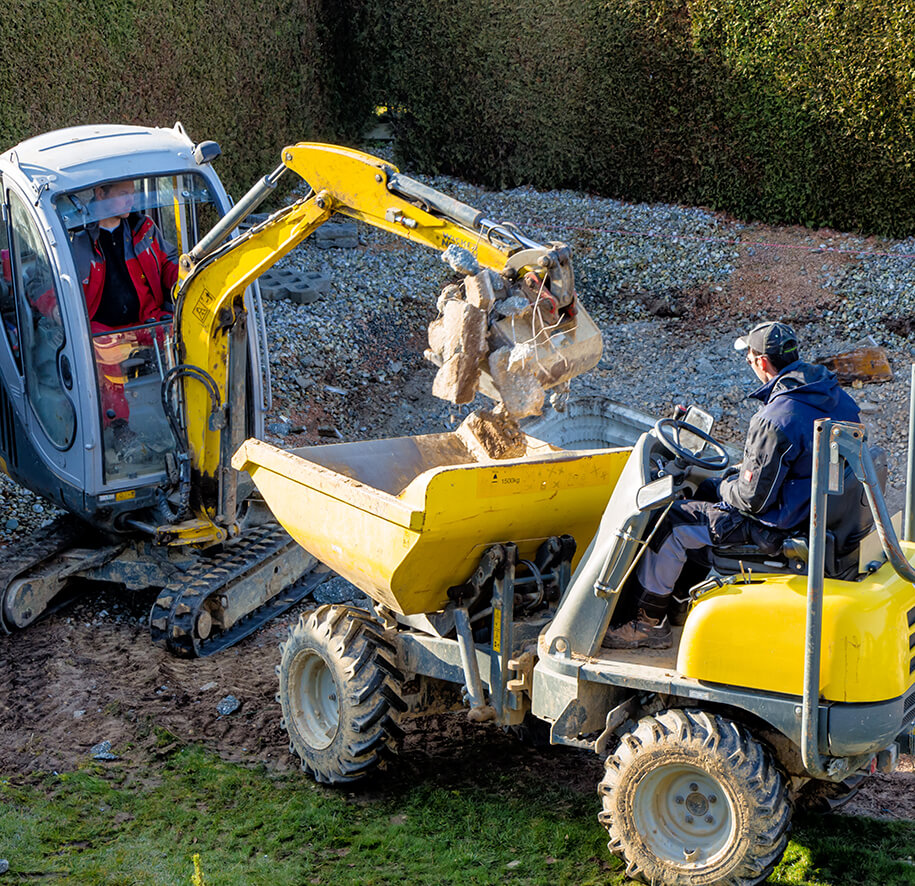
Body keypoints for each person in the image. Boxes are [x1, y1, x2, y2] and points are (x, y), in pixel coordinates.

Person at [603, 320, 861, 650]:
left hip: (779, 529)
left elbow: (752, 500)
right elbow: (795, 461)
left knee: (672, 522)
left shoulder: (776, 417)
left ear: (762, 362)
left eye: (749, 357)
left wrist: (729, 483)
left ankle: (647, 623)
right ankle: (679, 606)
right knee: (706, 492)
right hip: (816, 513)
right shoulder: (835, 398)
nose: (749, 363)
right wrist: (731, 480)